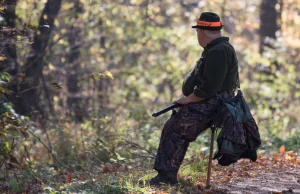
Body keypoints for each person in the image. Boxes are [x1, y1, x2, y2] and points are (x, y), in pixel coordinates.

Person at [149, 12, 239, 186]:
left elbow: (210, 88)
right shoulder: (217, 49)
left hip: (213, 103)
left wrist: (187, 99)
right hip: (212, 101)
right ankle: (166, 176)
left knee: (175, 128)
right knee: (175, 126)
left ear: (202, 32)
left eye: (198, 31)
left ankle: (165, 178)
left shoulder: (218, 51)